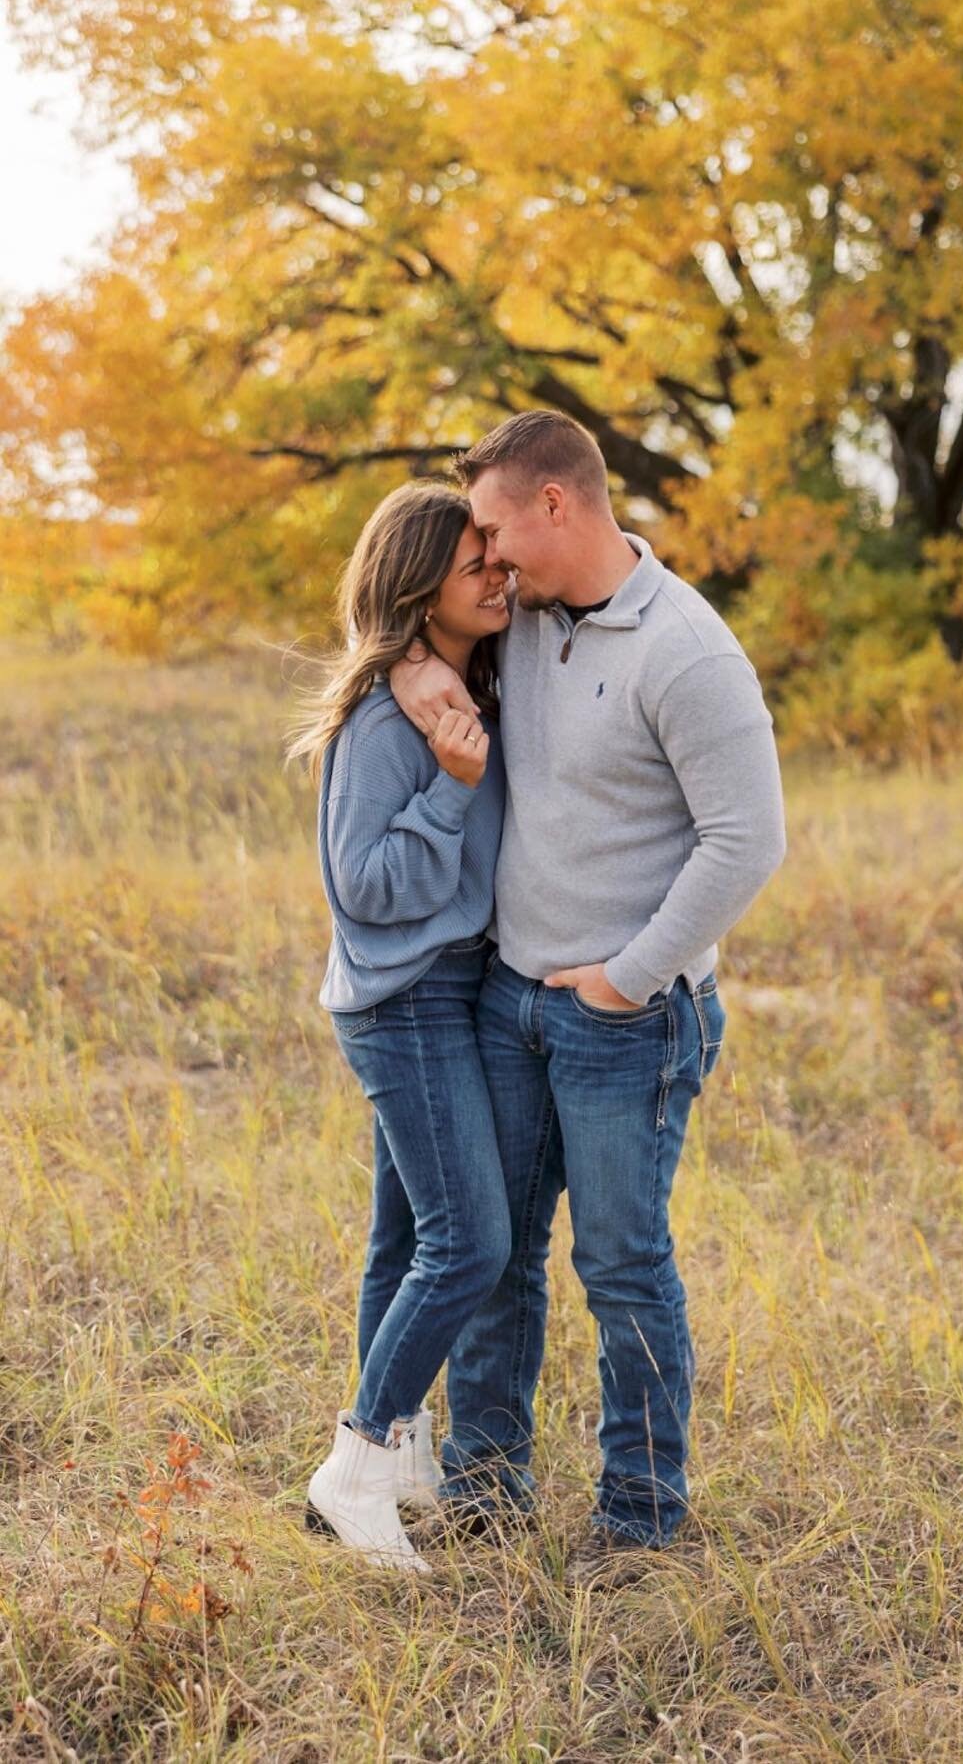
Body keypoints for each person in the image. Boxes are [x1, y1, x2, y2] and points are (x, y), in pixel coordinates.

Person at [388, 410, 787, 1578]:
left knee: (618, 1266)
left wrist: (627, 977)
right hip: (507, 1001)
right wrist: (416, 672)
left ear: (557, 504)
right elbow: (396, 619)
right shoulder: (523, 622)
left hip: (627, 1019)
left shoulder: (689, 652)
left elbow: (748, 840)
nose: (490, 556)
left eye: (500, 528)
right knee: (497, 1255)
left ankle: (640, 1517)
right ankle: (486, 1489)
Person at [287, 480, 513, 1572]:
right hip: (405, 999)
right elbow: (363, 885)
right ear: (423, 586)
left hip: (451, 988)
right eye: (477, 564)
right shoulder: (385, 722)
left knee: (406, 1239)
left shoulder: (467, 684)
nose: (498, 574)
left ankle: (404, 1448)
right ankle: (358, 1463)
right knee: (472, 1240)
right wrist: (453, 788)